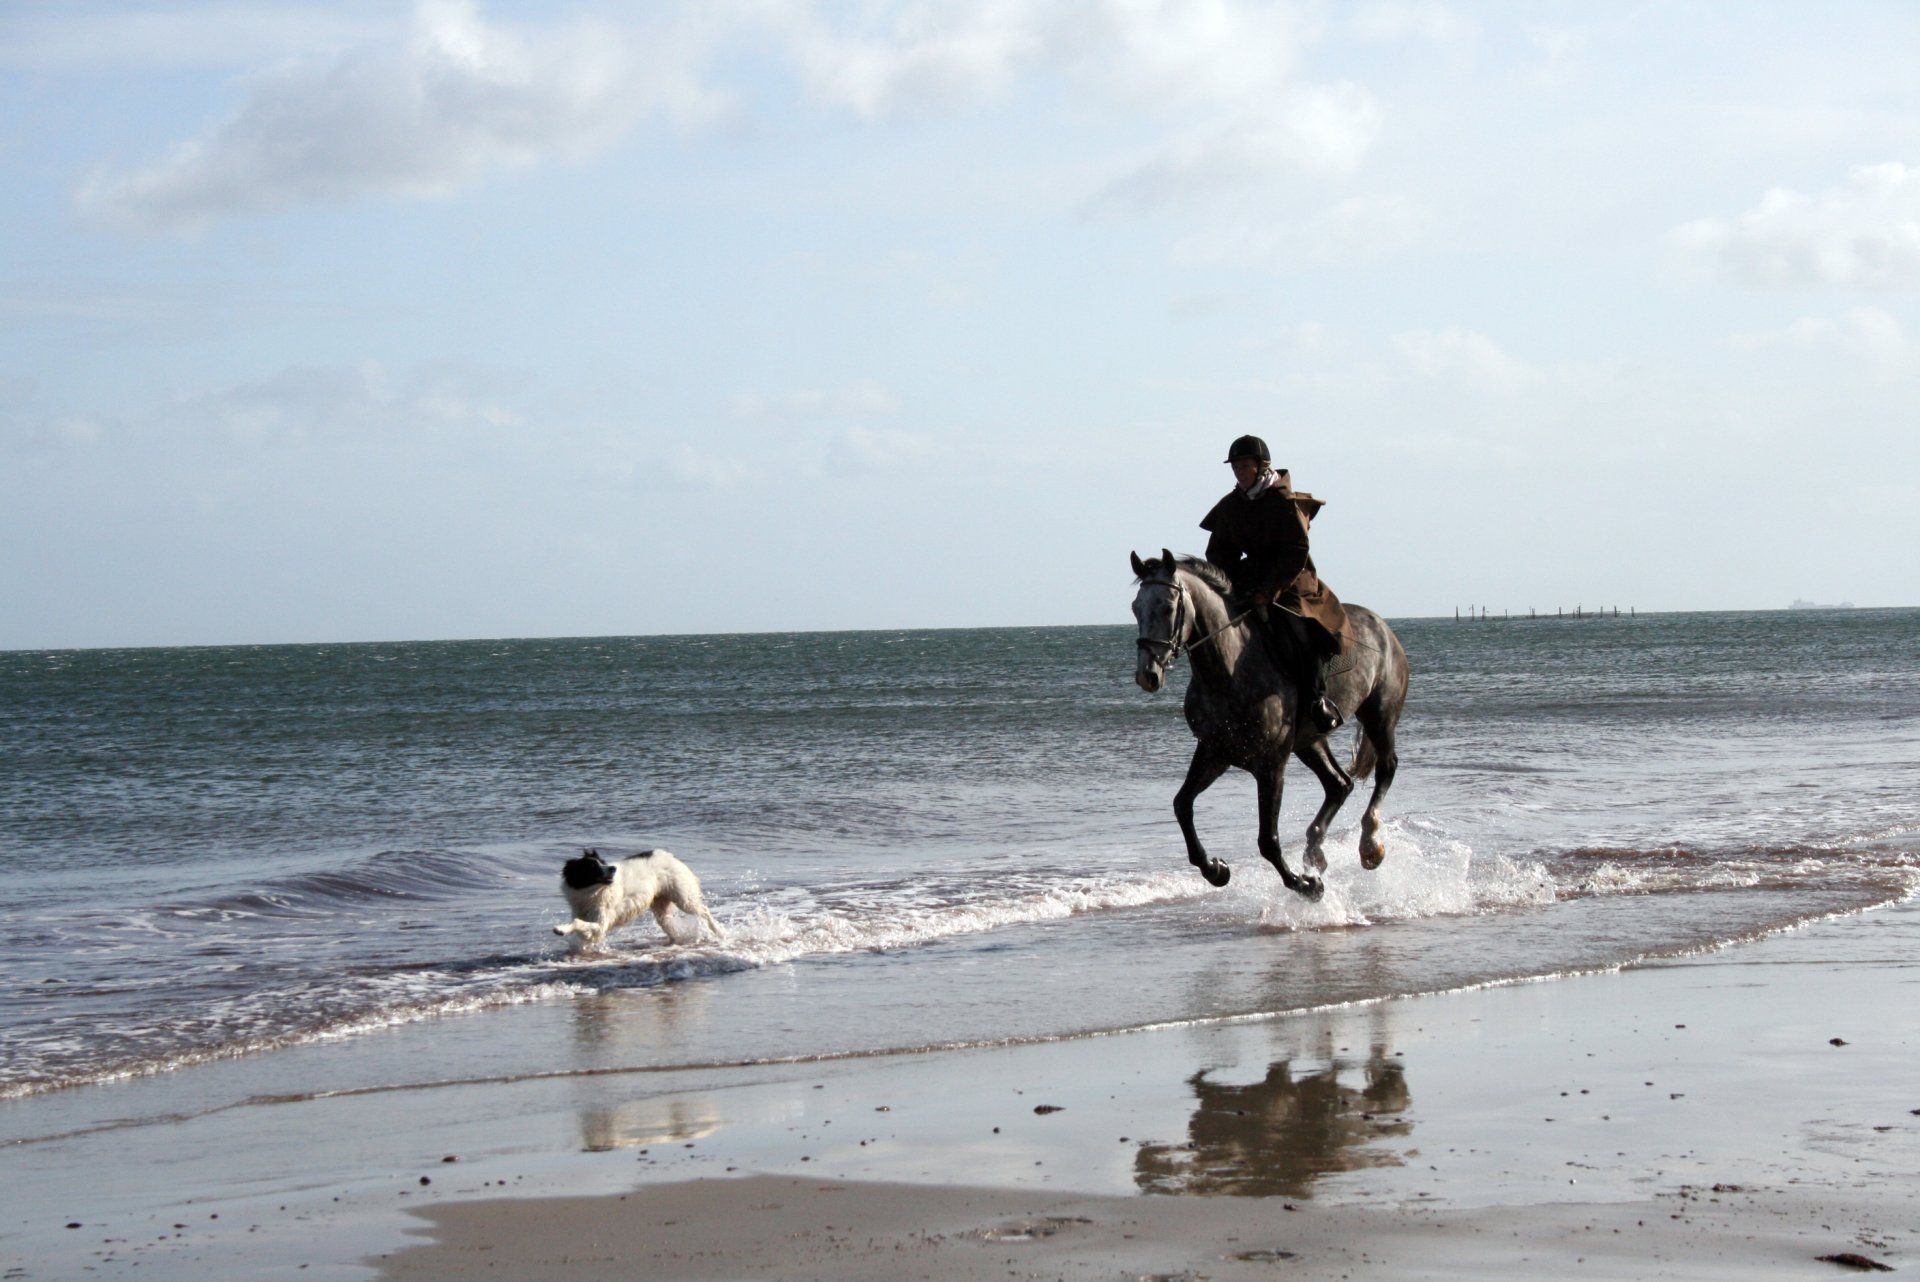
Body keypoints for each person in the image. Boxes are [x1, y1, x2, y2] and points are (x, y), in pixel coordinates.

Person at [1199, 435, 1348, 732]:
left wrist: (1270, 591)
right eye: (1236, 467)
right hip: (1250, 577)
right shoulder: (1231, 505)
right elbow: (1218, 551)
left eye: (1245, 466)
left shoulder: (1282, 502)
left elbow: (1296, 551)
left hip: (1291, 577)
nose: (1240, 472)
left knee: (1299, 627)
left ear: (1260, 466)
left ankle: (1317, 700)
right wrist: (1230, 580)